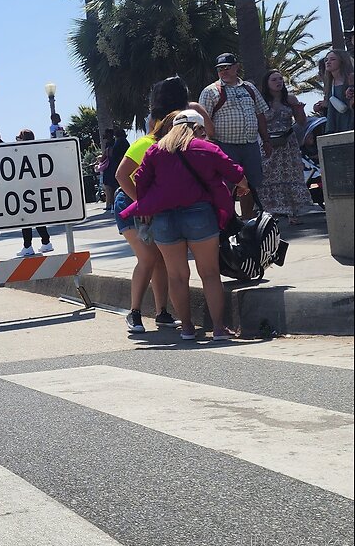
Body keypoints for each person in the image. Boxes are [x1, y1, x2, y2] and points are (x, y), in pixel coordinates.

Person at [121, 110, 247, 342]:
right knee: (209, 273)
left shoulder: (155, 150)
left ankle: (187, 328)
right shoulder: (205, 148)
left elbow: (141, 181)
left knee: (177, 275)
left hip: (165, 219)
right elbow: (235, 173)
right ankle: (219, 328)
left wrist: (148, 207)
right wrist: (243, 186)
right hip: (199, 215)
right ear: (197, 128)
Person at [115, 76, 205, 334]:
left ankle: (162, 313)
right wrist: (142, 205)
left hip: (153, 205)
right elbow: (121, 177)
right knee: (148, 257)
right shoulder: (144, 144)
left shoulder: (174, 147)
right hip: (130, 202)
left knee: (163, 261)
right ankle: (134, 313)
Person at [198, 53, 271, 219]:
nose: (224, 71)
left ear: (236, 67)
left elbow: (260, 114)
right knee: (226, 185)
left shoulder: (249, 88)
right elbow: (202, 122)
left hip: (250, 144)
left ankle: (248, 220)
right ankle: (228, 220)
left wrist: (266, 140)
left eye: (227, 67)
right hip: (223, 145)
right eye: (220, 69)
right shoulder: (211, 91)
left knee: (251, 183)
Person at [258, 70, 313, 224]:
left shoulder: (290, 99)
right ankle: (271, 212)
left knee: (290, 176)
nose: (278, 82)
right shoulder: (261, 101)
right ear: (267, 83)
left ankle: (292, 213)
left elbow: (301, 122)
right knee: (268, 176)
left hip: (288, 142)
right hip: (268, 142)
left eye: (280, 79)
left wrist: (299, 109)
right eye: (274, 79)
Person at [12, 129, 54, 256]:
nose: (17, 139)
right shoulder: (36, 150)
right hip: (35, 188)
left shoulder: (24, 152)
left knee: (26, 218)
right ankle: (46, 242)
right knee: (36, 217)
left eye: (19, 137)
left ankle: (28, 246)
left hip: (27, 188)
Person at [315, 49, 354, 134]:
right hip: (336, 123)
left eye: (333, 59)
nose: (328, 62)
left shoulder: (351, 79)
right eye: (326, 60)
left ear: (342, 61)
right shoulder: (329, 84)